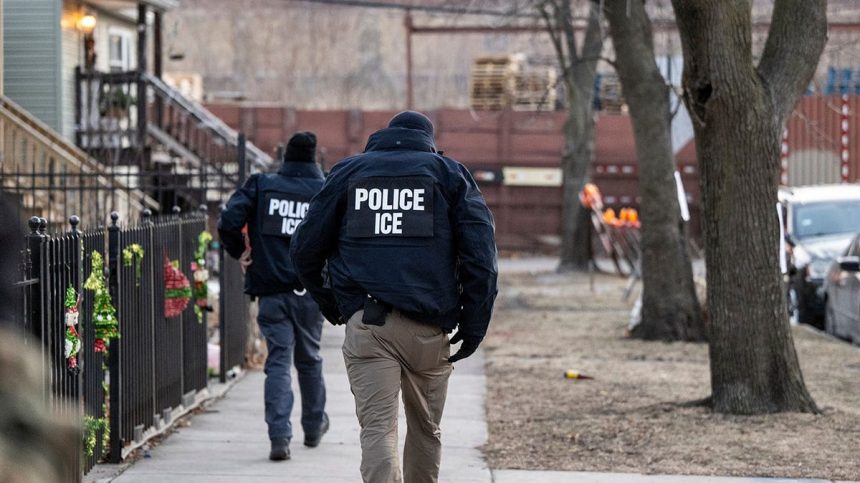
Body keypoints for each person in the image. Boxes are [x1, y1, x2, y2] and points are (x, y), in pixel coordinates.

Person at [290, 111, 498, 482]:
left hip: (369, 324)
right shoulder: (449, 175)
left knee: (379, 431)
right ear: (429, 142)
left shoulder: (349, 173)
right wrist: (474, 325)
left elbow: (305, 249)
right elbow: (480, 258)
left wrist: (334, 306)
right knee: (425, 431)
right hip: (429, 330)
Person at [218, 132, 329, 461]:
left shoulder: (262, 185)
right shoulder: (324, 191)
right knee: (309, 359)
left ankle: (279, 436)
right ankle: (312, 426)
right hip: (311, 292)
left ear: (286, 159)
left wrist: (241, 252)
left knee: (278, 361)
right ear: (313, 160)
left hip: (272, 291)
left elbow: (228, 222)